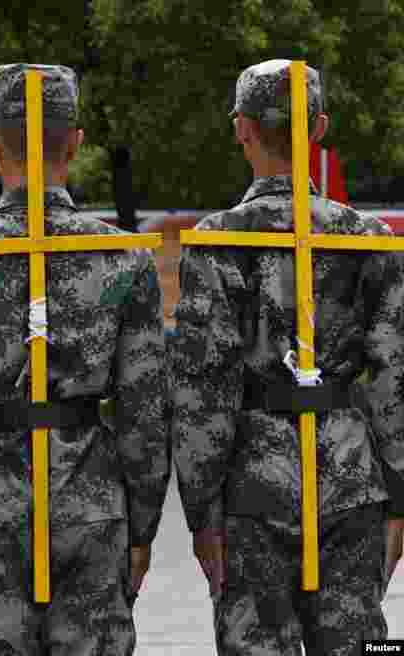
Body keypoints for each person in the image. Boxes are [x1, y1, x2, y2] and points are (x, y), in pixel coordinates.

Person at [0, 63, 169, 654]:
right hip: (92, 501)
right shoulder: (123, 257)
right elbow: (145, 411)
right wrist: (142, 525)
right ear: (75, 142)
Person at [172, 59, 404, 654]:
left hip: (253, 488)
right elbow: (392, 377)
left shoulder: (216, 241)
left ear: (241, 128)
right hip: (353, 481)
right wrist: (399, 496)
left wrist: (202, 511)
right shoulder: (371, 240)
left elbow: (204, 389)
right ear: (319, 127)